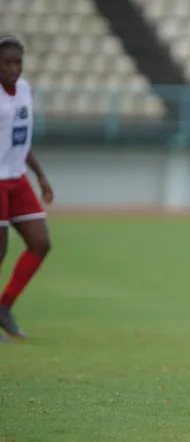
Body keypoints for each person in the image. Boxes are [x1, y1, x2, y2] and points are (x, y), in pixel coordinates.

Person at [0, 35, 54, 343]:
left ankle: (4, 307)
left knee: (40, 242)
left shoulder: (23, 90)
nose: (13, 68)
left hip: (17, 177)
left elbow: (21, 138)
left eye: (17, 62)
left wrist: (41, 178)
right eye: (6, 62)